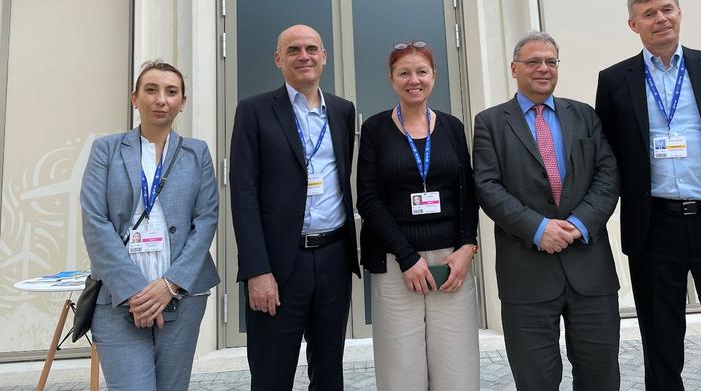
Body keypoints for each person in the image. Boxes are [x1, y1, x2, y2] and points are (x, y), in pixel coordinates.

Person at [595, 0, 701, 391]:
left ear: (679, 12)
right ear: (634, 25)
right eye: (649, 14)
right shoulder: (615, 80)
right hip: (655, 227)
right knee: (661, 345)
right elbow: (612, 152)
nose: (660, 19)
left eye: (667, 9)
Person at [473, 31, 620, 391]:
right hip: (526, 273)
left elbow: (608, 173)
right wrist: (539, 229)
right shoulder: (490, 122)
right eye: (533, 61)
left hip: (590, 269)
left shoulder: (584, 115)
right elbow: (488, 187)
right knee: (536, 381)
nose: (543, 69)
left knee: (601, 377)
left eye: (550, 62)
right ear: (514, 68)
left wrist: (578, 223)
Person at [230, 24, 360, 391]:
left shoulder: (342, 110)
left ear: (324, 56)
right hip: (279, 266)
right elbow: (243, 194)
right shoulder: (254, 111)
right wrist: (257, 270)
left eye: (311, 49)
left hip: (334, 258)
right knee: (272, 372)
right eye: (293, 50)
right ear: (278, 59)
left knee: (330, 369)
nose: (304, 56)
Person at [80, 61, 220, 391]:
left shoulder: (196, 152)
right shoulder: (107, 150)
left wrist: (169, 285)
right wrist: (135, 292)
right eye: (151, 90)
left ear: (182, 102)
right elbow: (95, 221)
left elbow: (206, 220)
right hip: (117, 298)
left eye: (171, 92)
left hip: (182, 296)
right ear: (135, 98)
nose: (161, 99)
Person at [357, 41, 479, 391]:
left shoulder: (453, 128)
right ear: (392, 79)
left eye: (421, 71)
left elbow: (468, 193)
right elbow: (368, 198)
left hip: (451, 264)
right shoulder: (376, 130)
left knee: (457, 370)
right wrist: (408, 258)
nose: (414, 80)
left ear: (434, 77)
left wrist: (467, 247)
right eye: (404, 73)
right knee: (401, 372)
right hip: (398, 264)